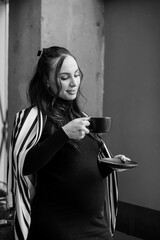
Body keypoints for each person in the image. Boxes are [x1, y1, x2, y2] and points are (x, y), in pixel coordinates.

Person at [7, 46, 130, 240]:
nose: (74, 83)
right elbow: (24, 166)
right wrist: (63, 134)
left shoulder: (81, 117)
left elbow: (74, 167)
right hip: (58, 228)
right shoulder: (32, 118)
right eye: (64, 77)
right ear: (46, 80)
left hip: (97, 227)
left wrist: (110, 165)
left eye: (76, 74)